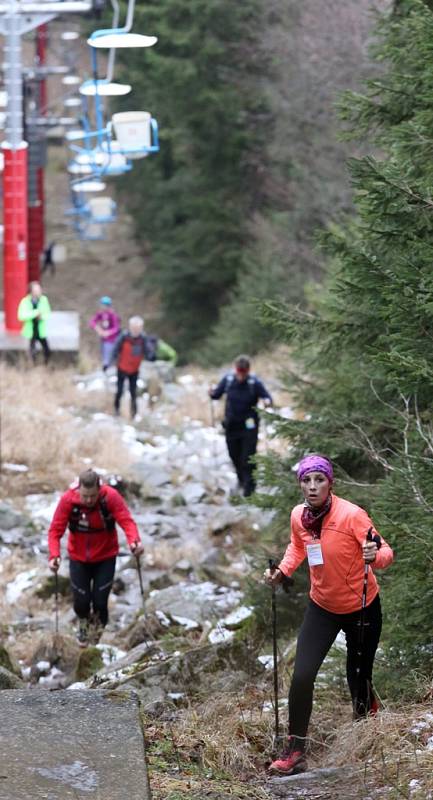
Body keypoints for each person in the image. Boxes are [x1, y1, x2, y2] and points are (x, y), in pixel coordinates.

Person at [264, 454, 394, 775]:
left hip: (362, 606)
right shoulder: (300, 516)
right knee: (303, 675)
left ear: (330, 483)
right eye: (306, 481)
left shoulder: (352, 515)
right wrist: (282, 571)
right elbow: (297, 546)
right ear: (300, 484)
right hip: (322, 607)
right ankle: (295, 750)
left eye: (319, 480)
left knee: (358, 677)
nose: (312, 487)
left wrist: (374, 555)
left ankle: (364, 739)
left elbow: (385, 552)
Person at [48, 468, 144, 647]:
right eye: (85, 496)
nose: (89, 500)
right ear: (79, 490)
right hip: (78, 558)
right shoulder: (68, 500)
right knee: (81, 603)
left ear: (99, 489)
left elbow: (126, 521)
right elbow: (55, 531)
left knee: (100, 603)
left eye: (93, 496)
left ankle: (96, 638)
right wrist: (54, 555)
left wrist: (134, 542)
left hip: (105, 558)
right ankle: (83, 628)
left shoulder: (110, 497)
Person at [209, 355, 272, 496]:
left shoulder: (254, 382)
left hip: (249, 425)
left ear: (248, 370)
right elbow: (216, 395)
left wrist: (267, 401)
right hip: (231, 425)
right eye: (239, 371)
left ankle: (250, 488)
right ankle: (241, 479)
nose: (241, 374)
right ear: (235, 369)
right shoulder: (228, 380)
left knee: (248, 457)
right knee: (234, 455)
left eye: (244, 371)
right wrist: (212, 393)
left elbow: (267, 396)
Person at [111, 315, 161, 419]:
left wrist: (153, 355)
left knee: (133, 392)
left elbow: (149, 353)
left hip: (134, 370)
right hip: (122, 368)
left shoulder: (143, 339)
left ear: (141, 328)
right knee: (119, 391)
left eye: (138, 328)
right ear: (130, 327)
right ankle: (116, 410)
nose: (136, 330)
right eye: (134, 327)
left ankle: (133, 414)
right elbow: (115, 349)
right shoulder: (123, 337)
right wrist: (110, 361)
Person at [17, 281, 51, 365]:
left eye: (39, 290)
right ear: (31, 291)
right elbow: (21, 316)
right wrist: (35, 313)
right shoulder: (25, 301)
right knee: (31, 352)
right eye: (36, 290)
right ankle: (33, 366)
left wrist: (41, 317)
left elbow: (47, 314)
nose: (38, 292)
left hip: (41, 331)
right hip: (30, 332)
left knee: (47, 350)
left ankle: (46, 364)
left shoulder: (44, 300)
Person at [89, 296, 121, 372]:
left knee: (108, 357)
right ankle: (106, 369)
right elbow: (92, 322)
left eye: (105, 305)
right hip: (103, 339)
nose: (103, 307)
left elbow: (116, 328)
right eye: (102, 305)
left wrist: (107, 333)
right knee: (104, 355)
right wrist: (98, 329)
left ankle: (109, 369)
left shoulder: (113, 315)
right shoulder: (101, 314)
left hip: (112, 340)